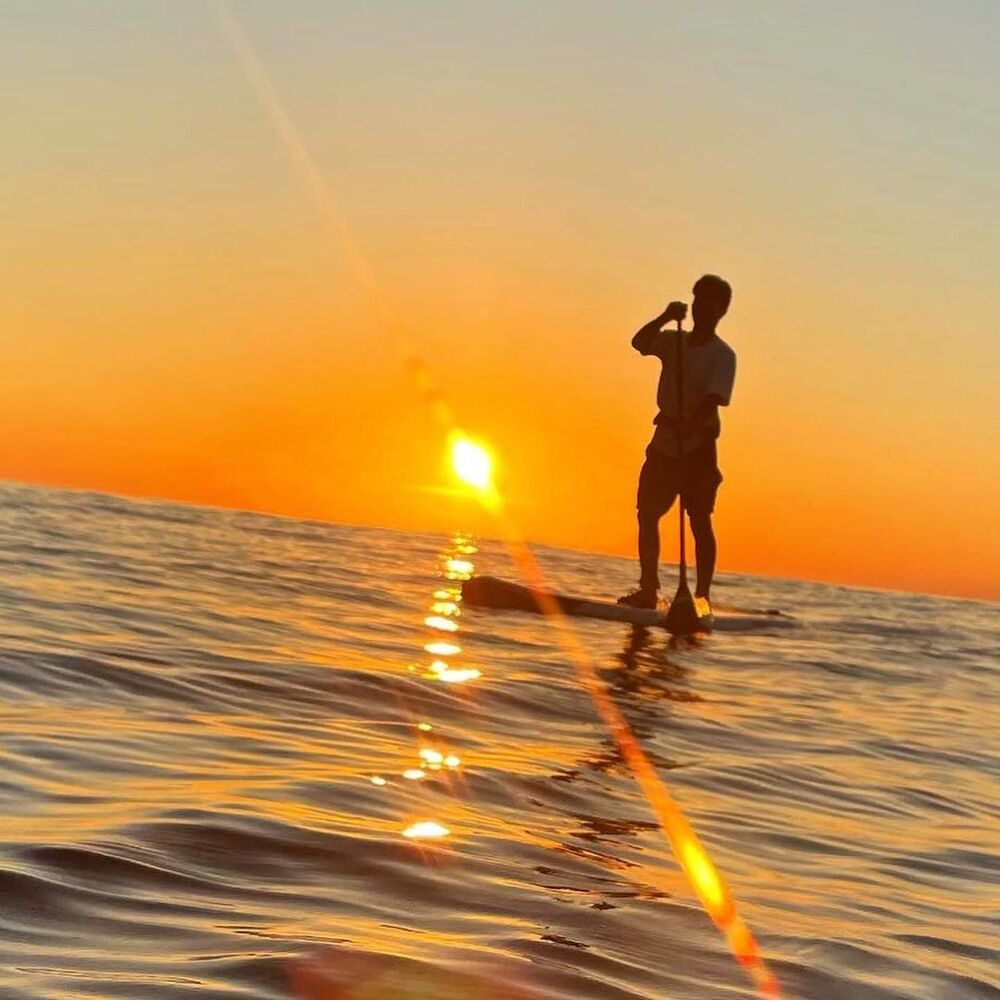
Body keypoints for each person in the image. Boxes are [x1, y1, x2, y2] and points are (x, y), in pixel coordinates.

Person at [618, 274, 736, 613]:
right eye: (698, 299)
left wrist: (690, 426)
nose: (701, 307)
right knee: (647, 514)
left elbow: (712, 401)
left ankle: (702, 595)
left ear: (722, 310)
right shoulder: (673, 341)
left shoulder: (723, 355)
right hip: (665, 444)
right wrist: (665, 317)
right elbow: (639, 343)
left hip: (698, 449)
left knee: (699, 519)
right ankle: (648, 589)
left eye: (710, 302)